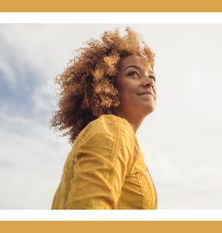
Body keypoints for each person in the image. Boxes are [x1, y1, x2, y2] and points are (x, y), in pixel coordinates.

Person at [50, 28, 157, 209]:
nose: (149, 82)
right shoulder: (114, 129)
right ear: (107, 85)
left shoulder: (118, 137)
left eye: (152, 76)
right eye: (133, 74)